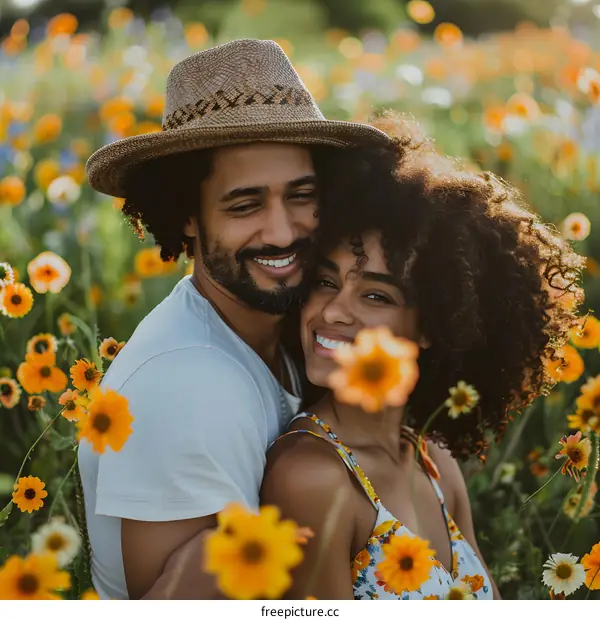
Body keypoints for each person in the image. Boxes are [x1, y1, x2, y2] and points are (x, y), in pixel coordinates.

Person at [78, 38, 394, 600]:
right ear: (188, 217)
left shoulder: (292, 328)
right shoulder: (187, 387)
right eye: (245, 205)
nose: (281, 231)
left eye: (302, 195)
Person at [260, 116, 584, 600]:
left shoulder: (435, 463)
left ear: (434, 326)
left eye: (375, 297)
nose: (332, 311)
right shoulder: (311, 478)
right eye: (325, 282)